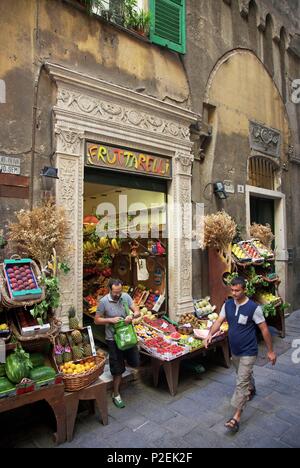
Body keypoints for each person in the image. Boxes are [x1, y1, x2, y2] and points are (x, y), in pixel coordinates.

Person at [204, 276, 277, 433]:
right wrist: (210, 334)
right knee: (242, 375)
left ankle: (236, 417)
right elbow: (219, 321)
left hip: (249, 351)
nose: (234, 293)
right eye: (232, 290)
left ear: (244, 290)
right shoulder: (228, 305)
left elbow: (264, 330)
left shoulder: (253, 308)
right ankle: (252, 386)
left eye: (237, 290)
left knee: (241, 383)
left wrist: (270, 351)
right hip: (235, 350)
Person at [95, 278, 140, 408]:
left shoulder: (125, 297)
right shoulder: (103, 302)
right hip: (113, 340)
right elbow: (97, 320)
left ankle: (122, 366)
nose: (117, 294)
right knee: (117, 369)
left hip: (128, 337)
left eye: (119, 291)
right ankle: (116, 394)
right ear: (110, 290)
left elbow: (136, 311)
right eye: (115, 292)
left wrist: (131, 316)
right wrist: (111, 320)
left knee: (136, 361)